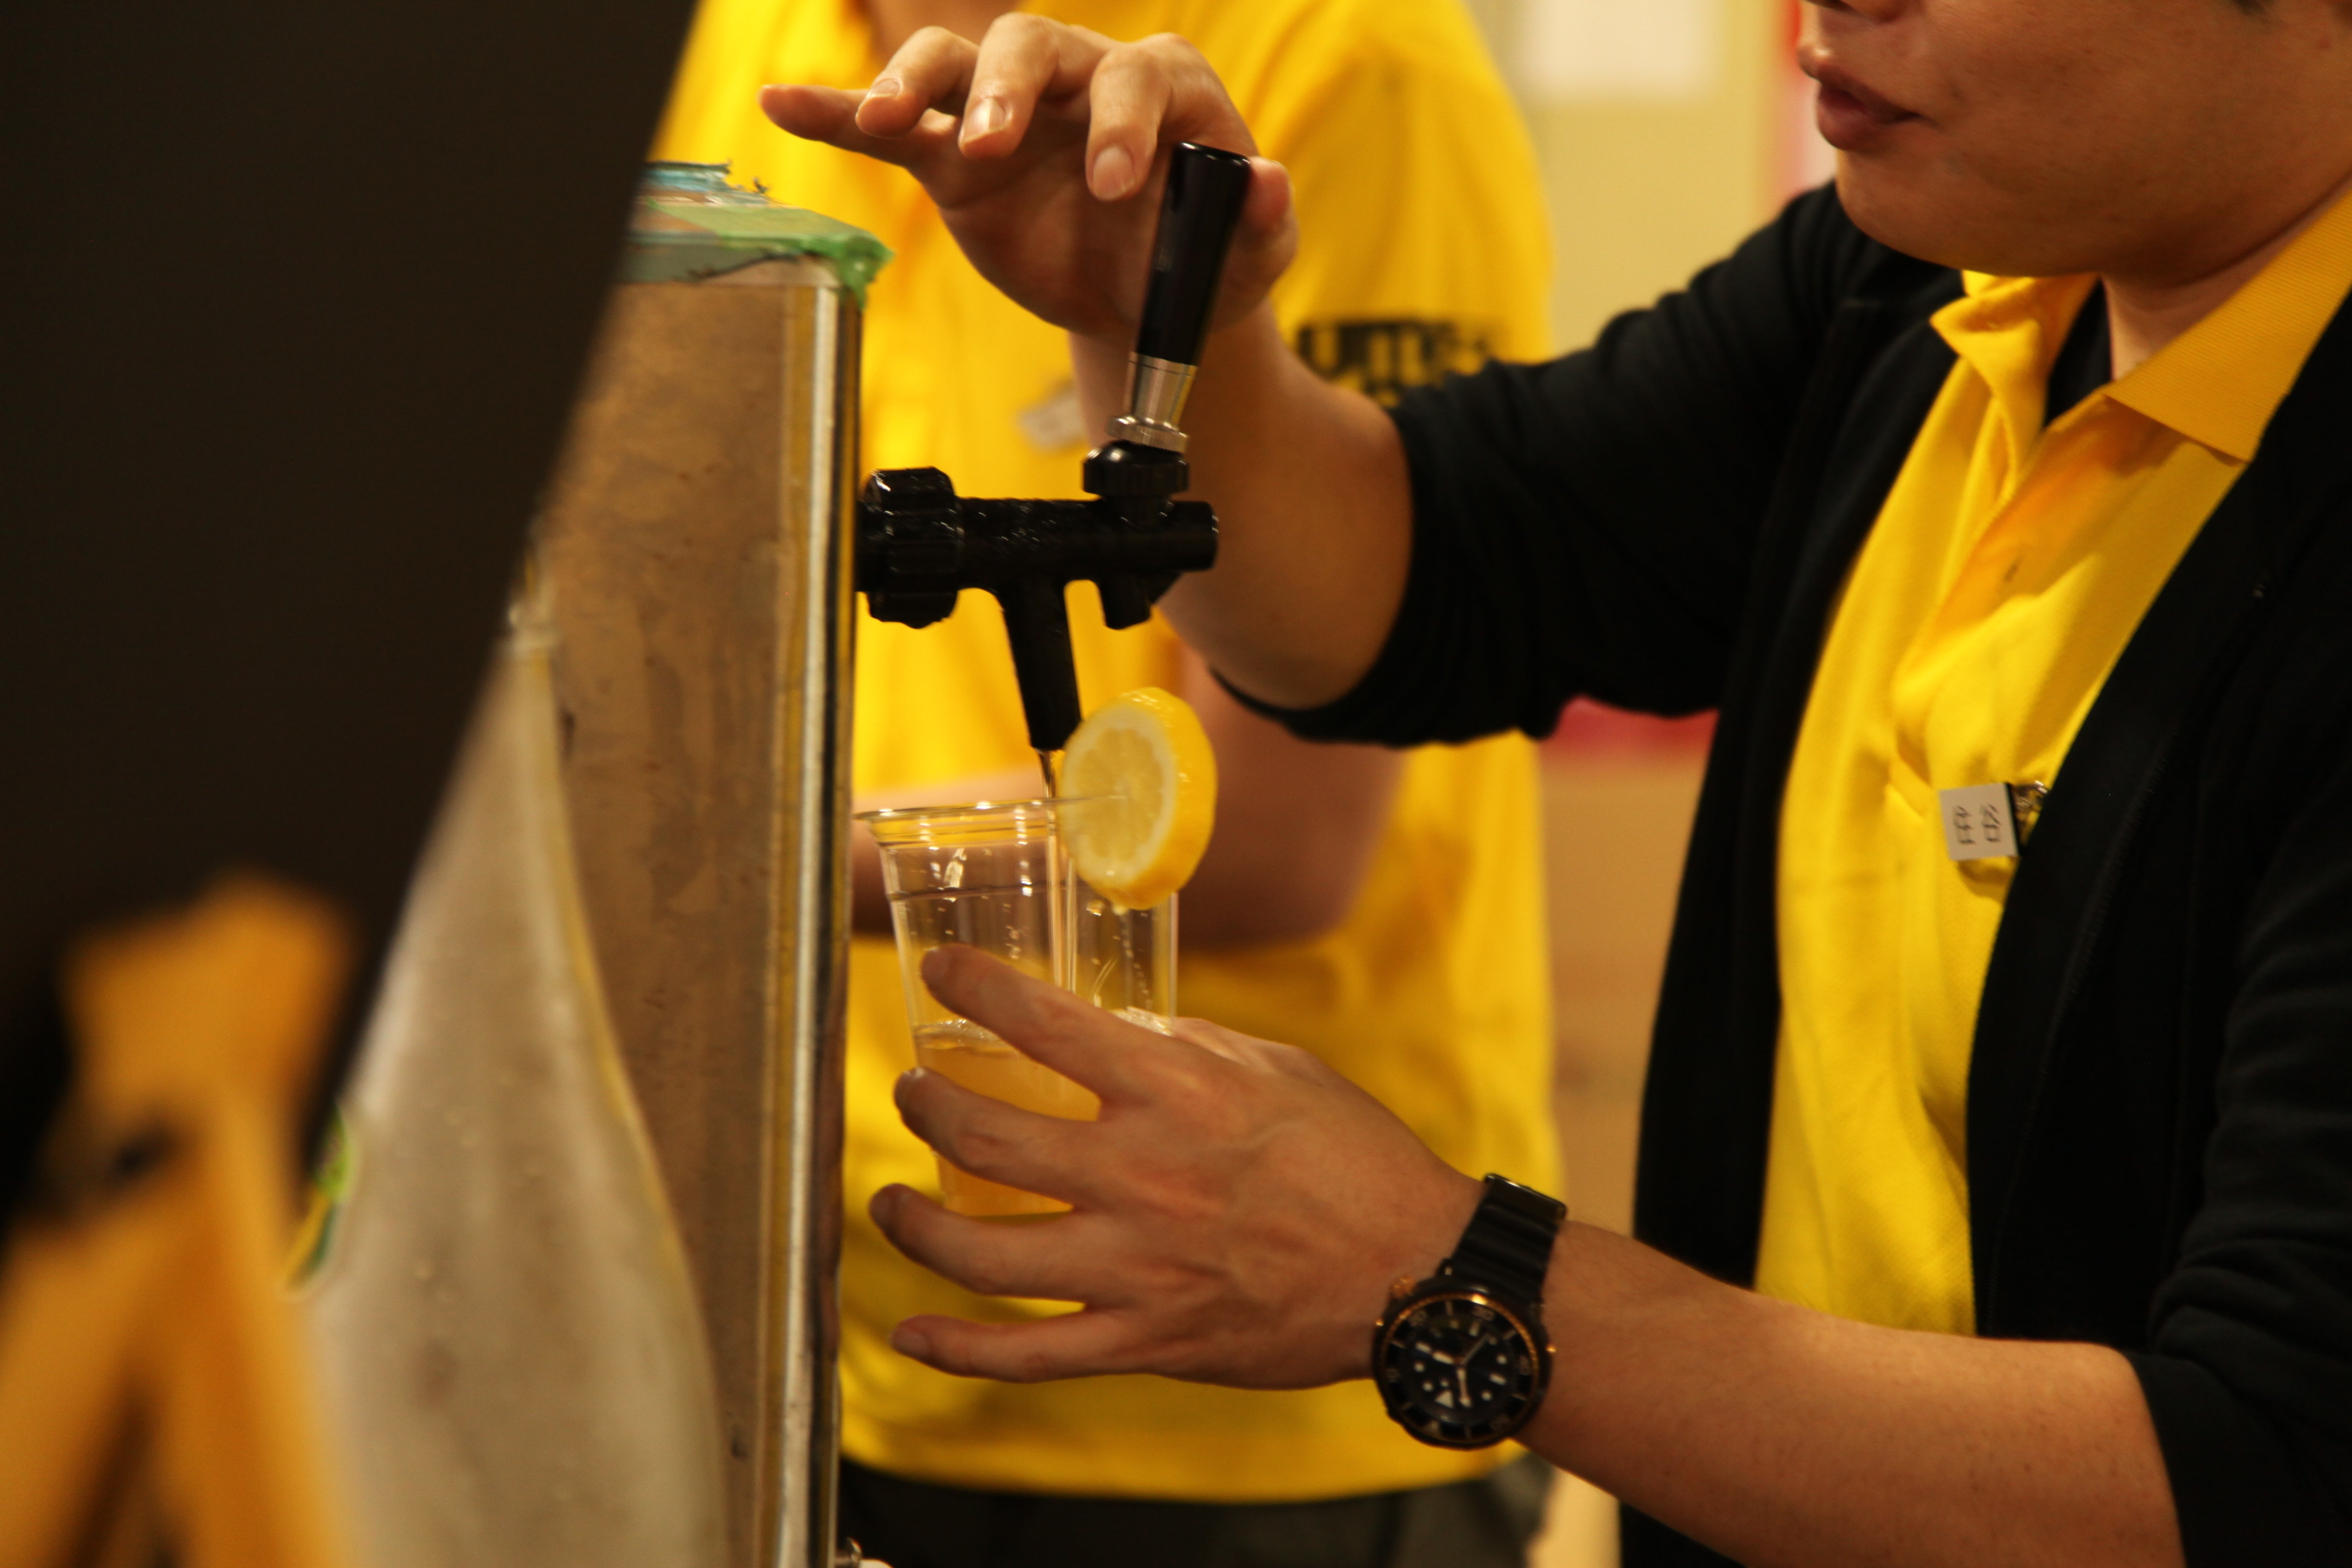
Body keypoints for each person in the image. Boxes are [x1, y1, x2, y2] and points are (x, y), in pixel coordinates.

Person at [763, 0, 2352, 1562]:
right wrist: (1160, 320)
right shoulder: (1933, 288)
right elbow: (1422, 576)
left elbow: (2266, 1478)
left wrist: (1447, 1269)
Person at [655, 3, 1563, 1563]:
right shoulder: (745, 44)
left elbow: (1269, 838)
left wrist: (696, 843)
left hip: (1258, 1379)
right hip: (835, 1322)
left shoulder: (1353, 64)